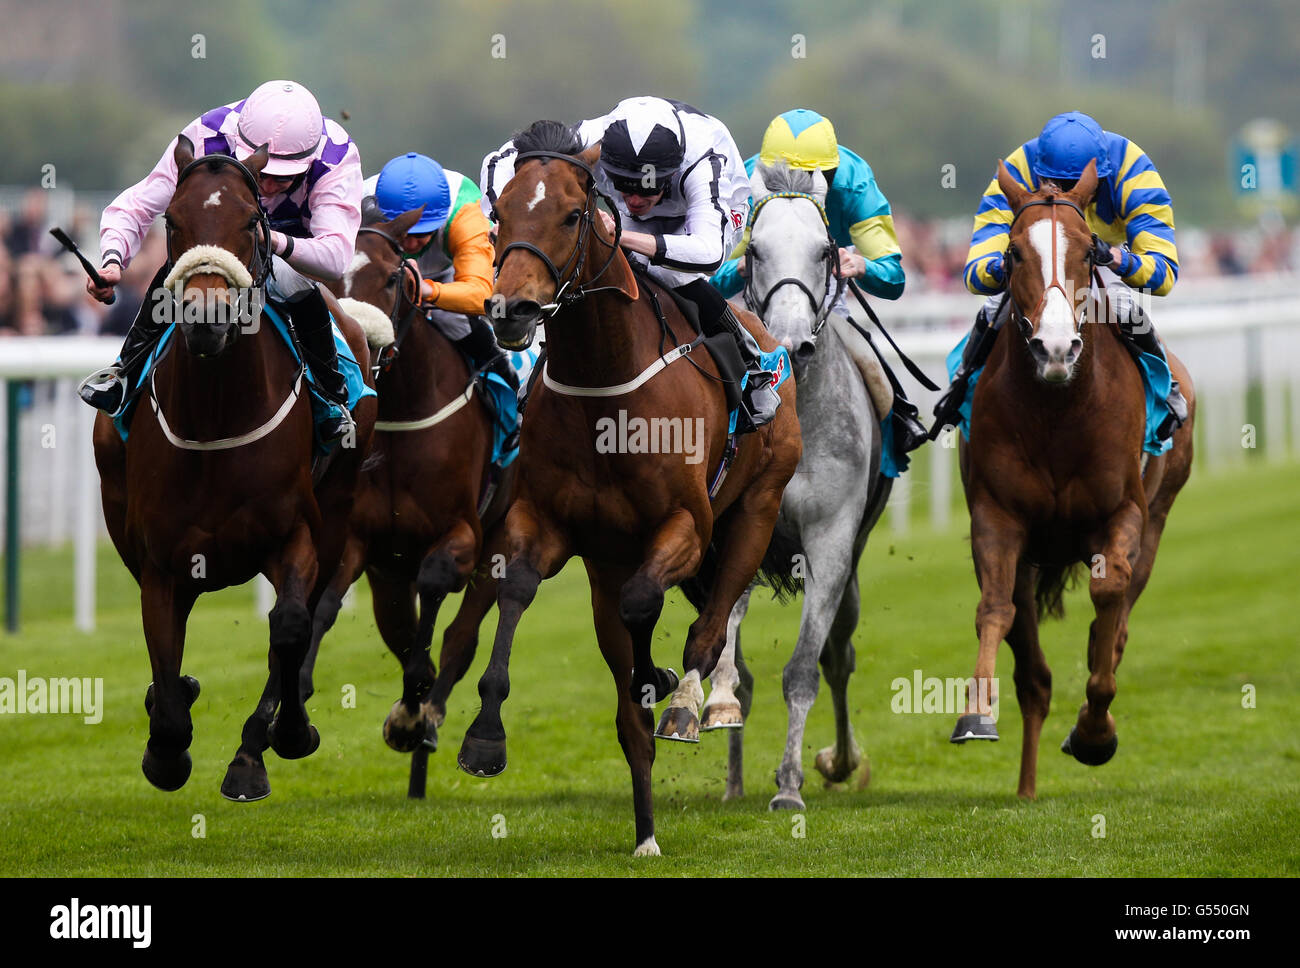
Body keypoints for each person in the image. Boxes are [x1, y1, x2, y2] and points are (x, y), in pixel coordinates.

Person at [78, 80, 363, 441]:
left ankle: (328, 396)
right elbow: (135, 206)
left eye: (283, 178)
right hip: (217, 241)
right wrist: (114, 259)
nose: (268, 186)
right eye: (264, 173)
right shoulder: (206, 136)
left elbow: (336, 256)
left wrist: (269, 239)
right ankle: (124, 373)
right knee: (178, 268)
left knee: (293, 281)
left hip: (291, 247)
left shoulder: (335, 156)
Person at [481, 95, 779, 429]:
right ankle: (550, 364)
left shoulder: (705, 162)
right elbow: (502, 156)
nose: (635, 199)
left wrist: (622, 237)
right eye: (624, 186)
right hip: (630, 210)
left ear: (669, 173)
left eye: (646, 189)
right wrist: (499, 214)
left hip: (710, 214)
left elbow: (709, 254)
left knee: (672, 274)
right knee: (586, 263)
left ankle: (752, 364)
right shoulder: (592, 137)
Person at [932, 110, 1188, 439]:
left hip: (1097, 258)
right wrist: (1011, 263)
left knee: (1125, 307)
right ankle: (962, 386)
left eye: (1073, 187)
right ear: (1038, 174)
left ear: (1102, 176)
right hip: (1036, 261)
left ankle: (1165, 391)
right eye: (1054, 185)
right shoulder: (1016, 171)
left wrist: (1112, 258)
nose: (1065, 195)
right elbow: (976, 274)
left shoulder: (1134, 172)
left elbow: (1163, 273)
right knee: (993, 307)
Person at [711, 108, 905, 303]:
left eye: (808, 177)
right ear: (766, 174)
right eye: (783, 177)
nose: (797, 191)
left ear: (831, 174)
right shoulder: (746, 190)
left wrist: (861, 265)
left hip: (825, 263)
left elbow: (894, 281)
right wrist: (740, 268)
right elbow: (707, 281)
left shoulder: (855, 186)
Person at [363, 152, 516, 391]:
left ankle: (507, 381)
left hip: (448, 272)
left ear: (441, 219)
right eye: (403, 234)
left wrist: (425, 288)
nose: (410, 246)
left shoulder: (465, 213)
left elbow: (481, 294)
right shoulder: (360, 205)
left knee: (452, 317)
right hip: (383, 270)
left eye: (421, 234)